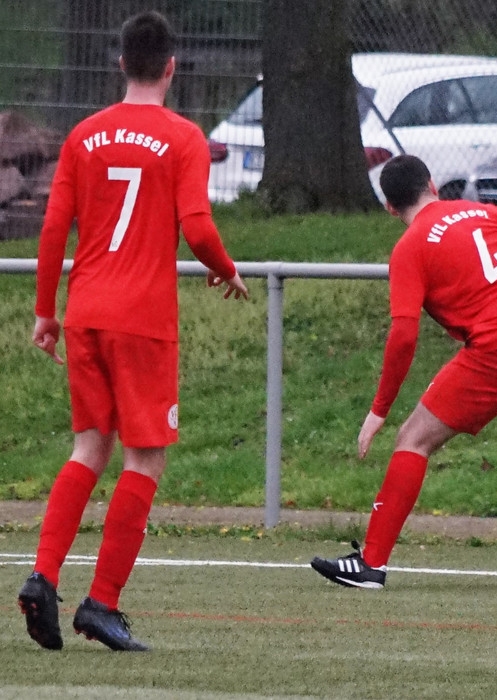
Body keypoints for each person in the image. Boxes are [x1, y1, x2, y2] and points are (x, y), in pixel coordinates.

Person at [17, 10, 248, 652]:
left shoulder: (84, 134)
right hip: (143, 319)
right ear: (172, 67)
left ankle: (42, 575)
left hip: (86, 312)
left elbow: (53, 227)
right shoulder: (183, 137)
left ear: (120, 63)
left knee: (88, 449)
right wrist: (226, 269)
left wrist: (46, 311)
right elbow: (197, 227)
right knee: (144, 457)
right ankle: (102, 603)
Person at [311, 154, 497, 591]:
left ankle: (371, 565)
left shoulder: (411, 246)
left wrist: (380, 409)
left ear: (390, 208)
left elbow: (403, 335)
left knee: (412, 439)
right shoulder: (485, 212)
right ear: (433, 185)